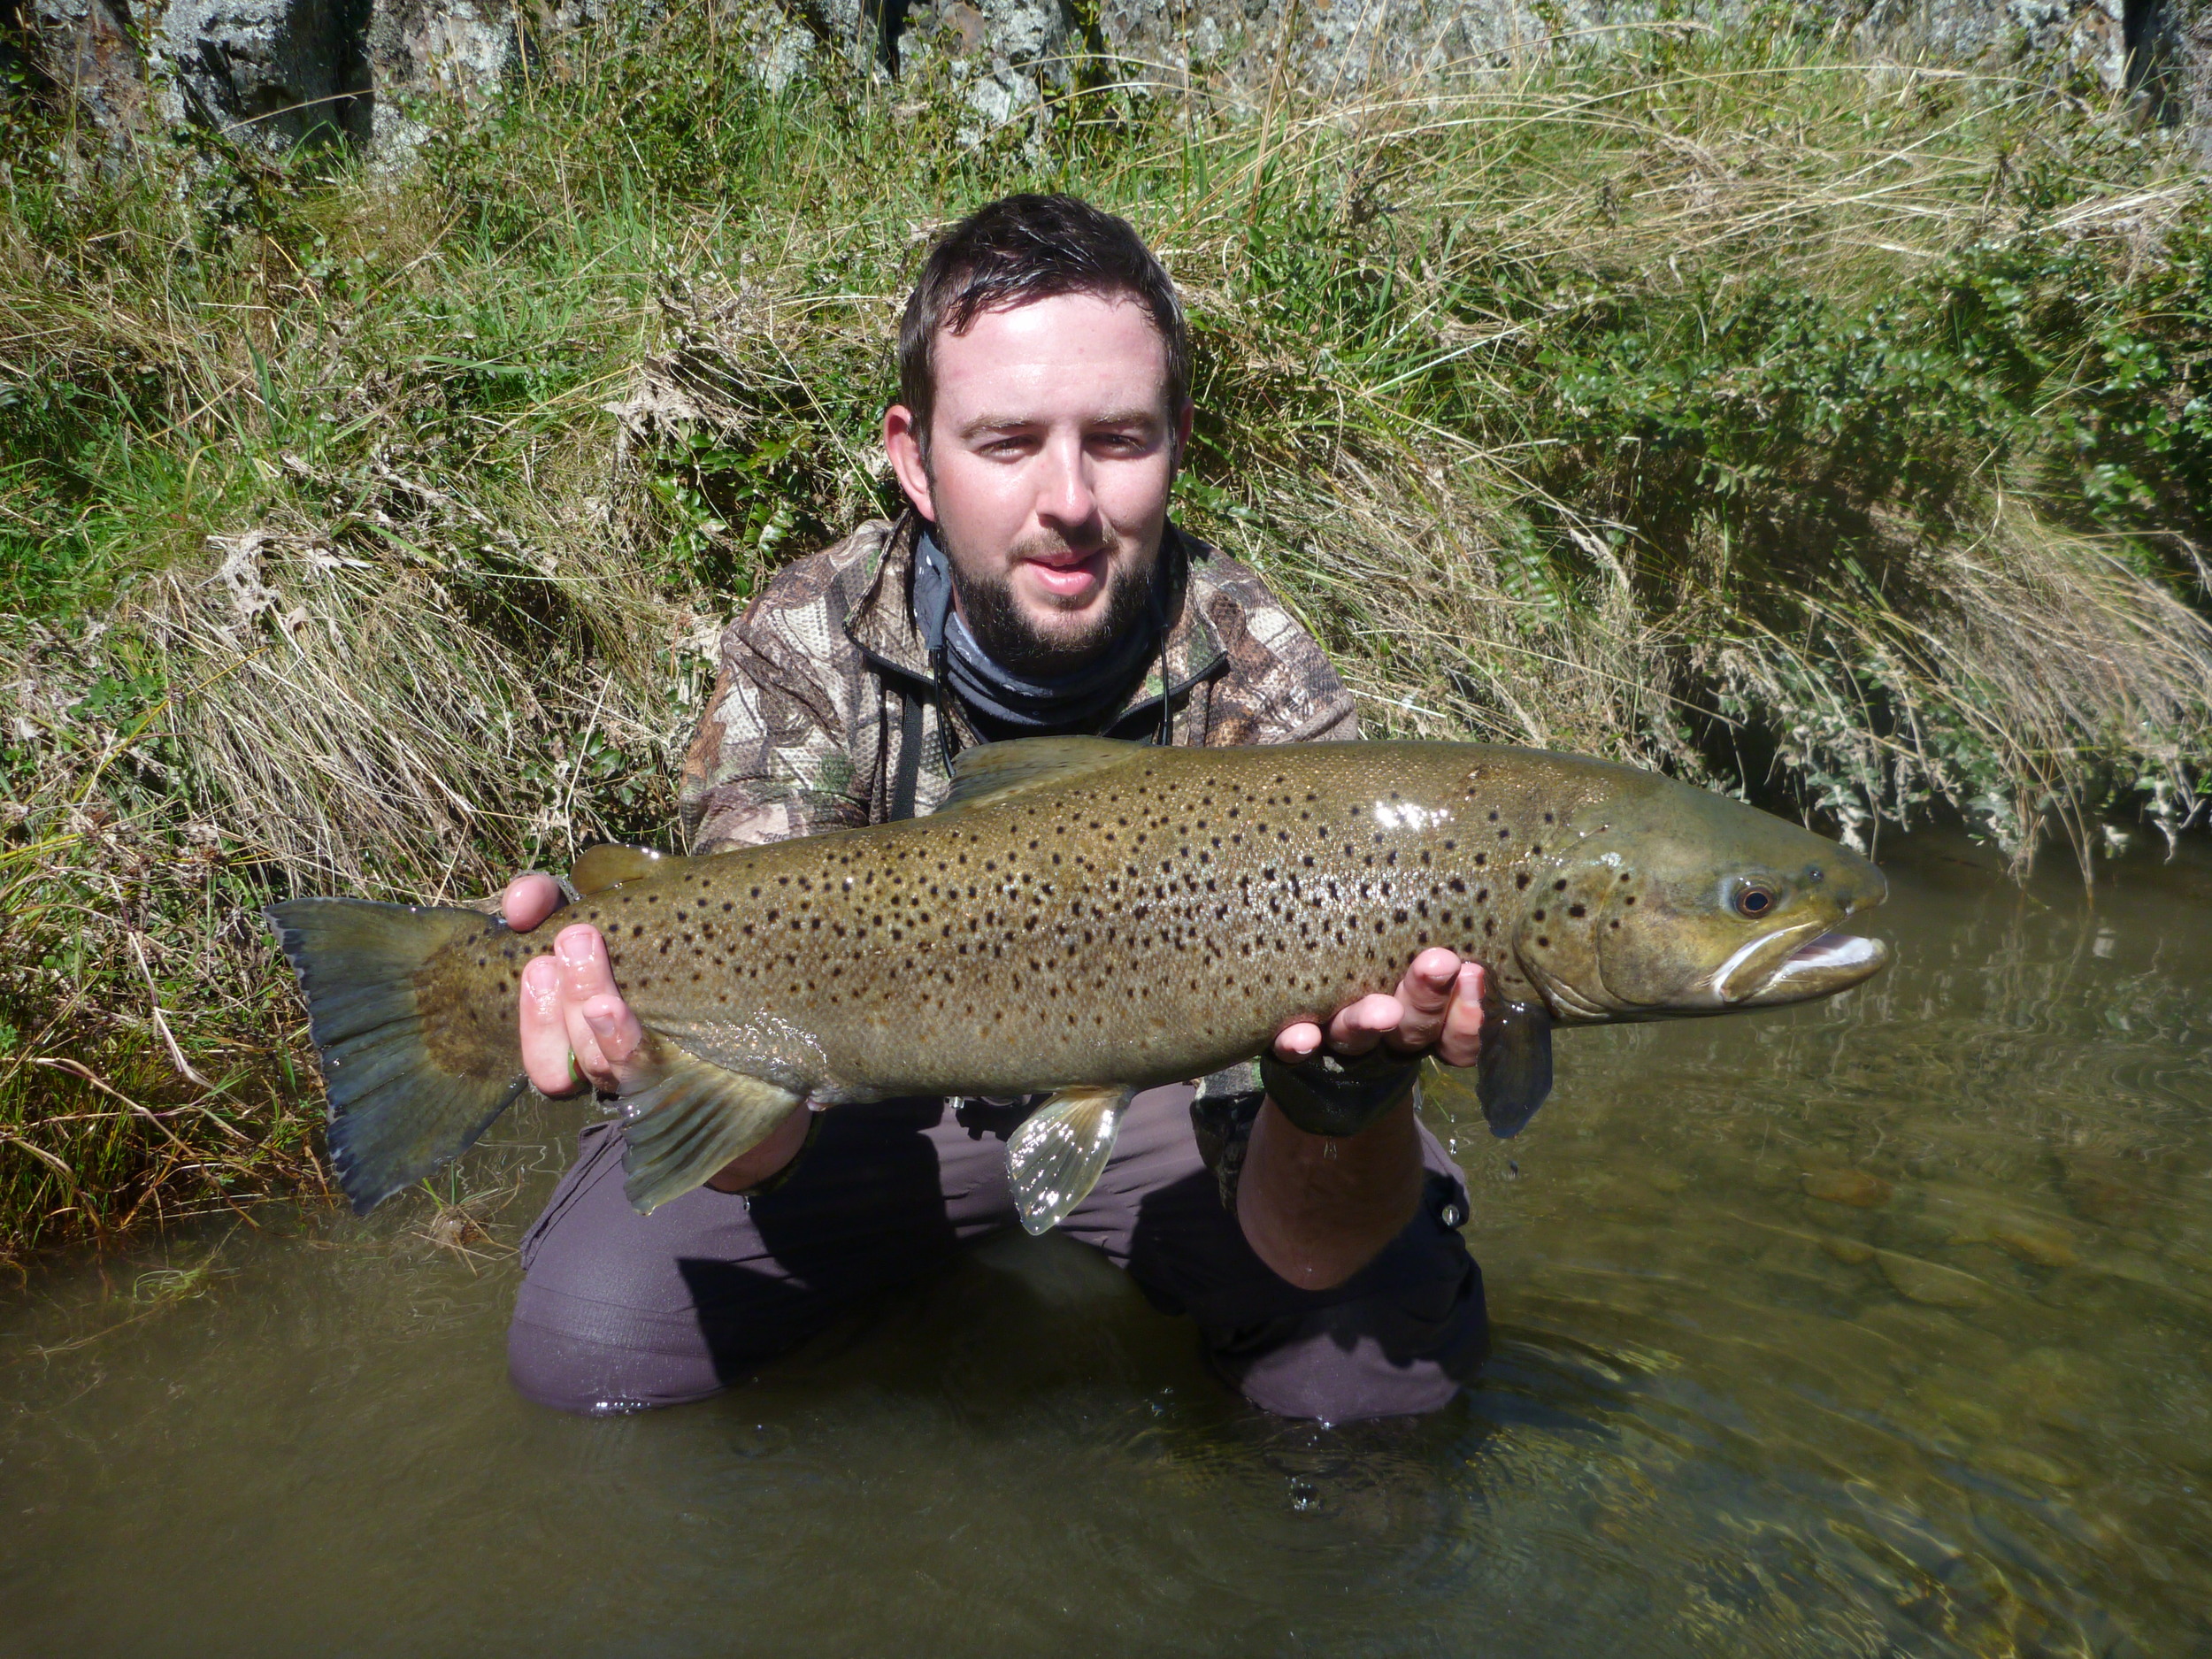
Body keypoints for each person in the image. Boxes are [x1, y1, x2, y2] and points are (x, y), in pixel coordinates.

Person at [496, 194, 1492, 1422]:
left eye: (1118, 440)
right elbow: (759, 1077)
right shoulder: (807, 634)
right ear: (914, 458)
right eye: (1008, 443)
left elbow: (1311, 1235)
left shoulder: (1261, 667)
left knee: (1371, 1371)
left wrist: (1350, 1089)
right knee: (588, 1351)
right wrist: (638, 1041)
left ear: (1179, 438)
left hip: (1170, 1100)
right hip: (866, 1099)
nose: (1069, 499)